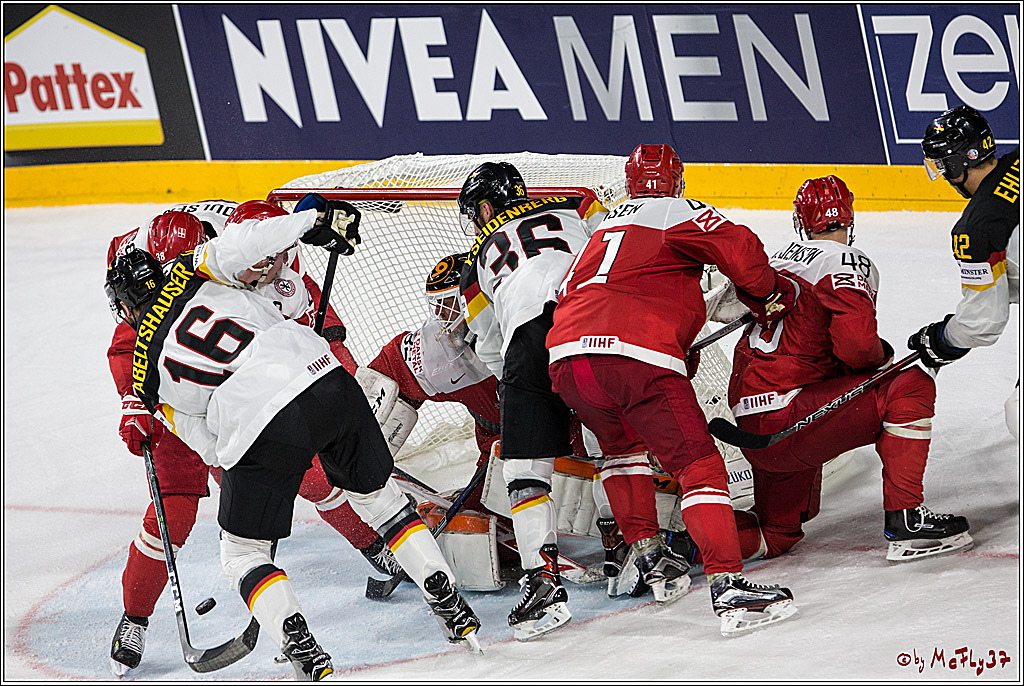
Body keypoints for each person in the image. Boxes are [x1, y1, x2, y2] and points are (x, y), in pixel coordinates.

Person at [105, 197, 481, 680]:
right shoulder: (201, 267)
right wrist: (312, 219)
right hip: (311, 380)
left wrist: (239, 460)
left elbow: (203, 432)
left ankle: (305, 637)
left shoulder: (194, 275)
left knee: (249, 546)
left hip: (231, 408)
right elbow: (263, 261)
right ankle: (134, 617)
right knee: (175, 512)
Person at [546, 143, 799, 636]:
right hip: (633, 353)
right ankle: (729, 588)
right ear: (678, 181)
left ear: (629, 181)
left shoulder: (600, 227)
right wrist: (768, 293)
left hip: (567, 361)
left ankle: (650, 560)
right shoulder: (677, 210)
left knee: (621, 453)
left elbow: (573, 291)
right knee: (698, 463)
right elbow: (741, 252)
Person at [675, 176, 973, 572]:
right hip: (793, 417)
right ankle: (906, 520)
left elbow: (726, 309)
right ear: (849, 219)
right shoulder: (845, 260)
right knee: (909, 384)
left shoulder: (779, 257)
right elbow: (856, 344)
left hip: (753, 424)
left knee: (777, 532)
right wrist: (881, 359)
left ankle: (678, 544)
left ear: (802, 222)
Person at [457, 162, 607, 640]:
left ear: (484, 208)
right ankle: (634, 548)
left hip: (529, 336)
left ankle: (543, 585)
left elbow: (487, 343)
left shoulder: (479, 256)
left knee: (523, 471)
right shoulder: (575, 208)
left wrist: (519, 391)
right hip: (594, 326)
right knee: (615, 446)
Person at [912, 105, 1019, 440]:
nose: (942, 173)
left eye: (942, 164)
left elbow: (982, 324)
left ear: (958, 163)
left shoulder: (976, 229)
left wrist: (942, 340)